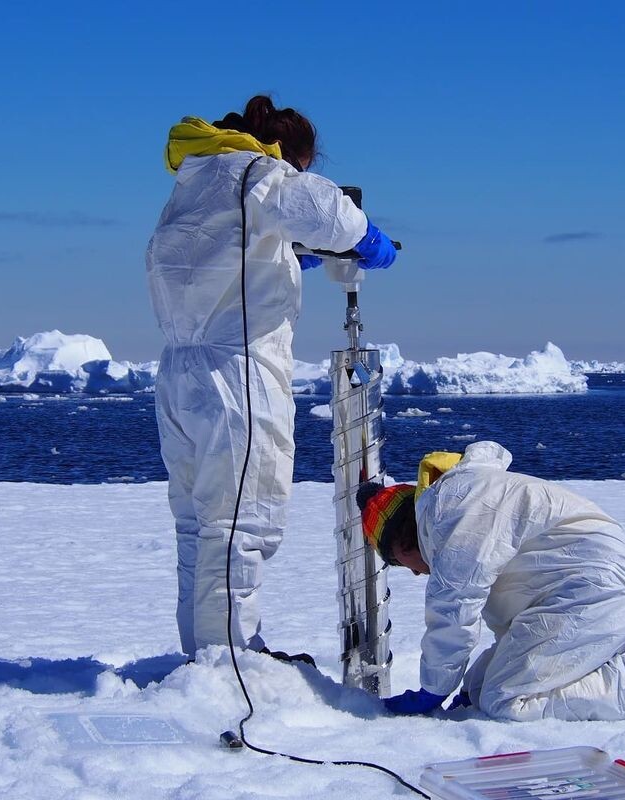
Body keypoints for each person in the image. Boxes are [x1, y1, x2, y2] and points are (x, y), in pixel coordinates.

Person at [147, 96, 397, 659]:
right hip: (236, 379)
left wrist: (285, 256)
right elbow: (331, 214)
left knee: (199, 524)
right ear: (290, 155)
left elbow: (218, 263)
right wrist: (367, 240)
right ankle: (232, 661)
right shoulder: (259, 174)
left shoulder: (196, 183)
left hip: (181, 378)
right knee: (241, 521)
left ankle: (204, 656)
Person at [357, 441, 625, 720]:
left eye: (397, 563)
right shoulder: (462, 501)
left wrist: (433, 689)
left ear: (402, 541)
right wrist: (469, 690)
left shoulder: (451, 514)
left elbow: (454, 607)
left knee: (506, 699)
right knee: (484, 687)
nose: (414, 572)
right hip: (590, 589)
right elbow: (515, 621)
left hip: (595, 591)